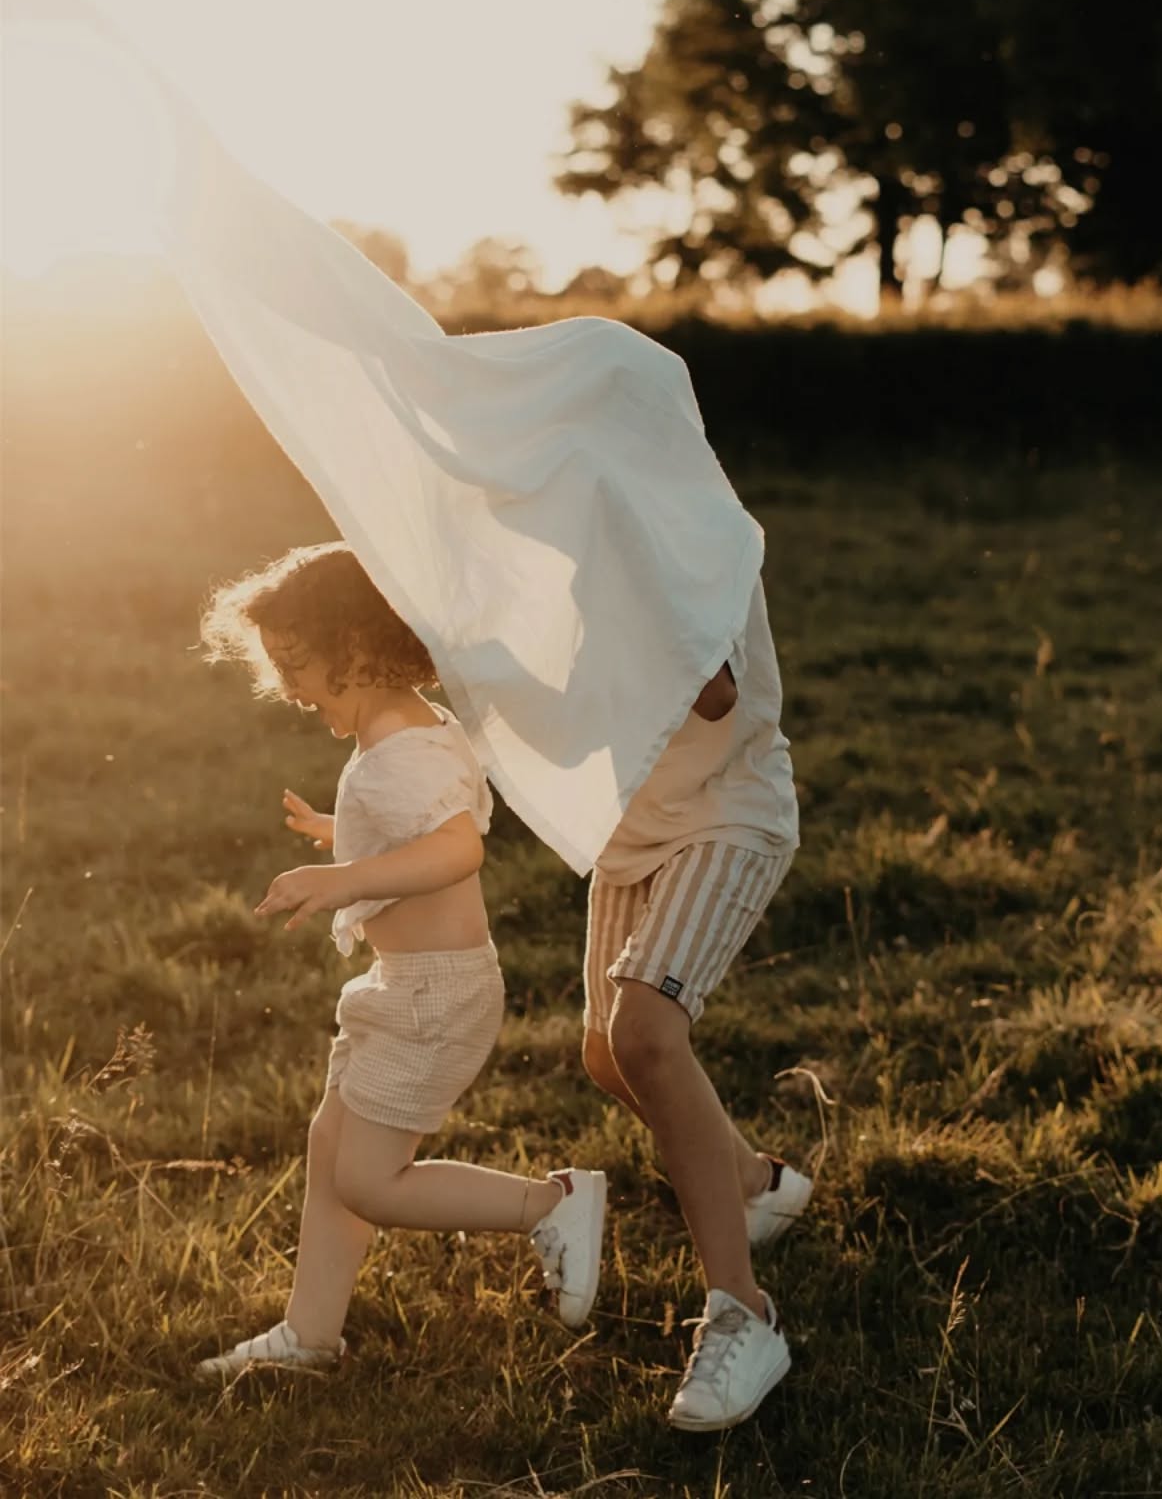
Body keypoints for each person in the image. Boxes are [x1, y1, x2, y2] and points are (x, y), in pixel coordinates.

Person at [192, 542, 606, 1379]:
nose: (290, 690)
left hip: (435, 998)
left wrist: (344, 876)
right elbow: (419, 829)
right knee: (332, 1148)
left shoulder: (399, 750)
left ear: (355, 645)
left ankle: (549, 1203)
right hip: (406, 989)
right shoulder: (411, 724)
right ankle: (309, 1336)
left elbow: (456, 850)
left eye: (298, 666)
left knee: (372, 1182)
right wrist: (344, 833)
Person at [581, 570, 810, 1431]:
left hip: (726, 813)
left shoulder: (676, 513)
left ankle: (744, 1315)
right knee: (607, 1056)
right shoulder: (549, 520)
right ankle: (754, 1183)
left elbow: (713, 693)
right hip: (629, 827)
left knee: (645, 1036)